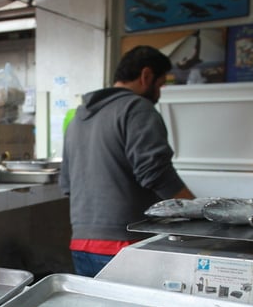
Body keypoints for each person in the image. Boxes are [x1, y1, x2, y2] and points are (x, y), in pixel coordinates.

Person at [60, 45, 195, 277]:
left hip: (80, 243)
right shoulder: (137, 108)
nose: (160, 94)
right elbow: (155, 173)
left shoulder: (78, 117)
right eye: (161, 85)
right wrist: (195, 209)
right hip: (126, 244)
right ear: (146, 75)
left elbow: (66, 184)